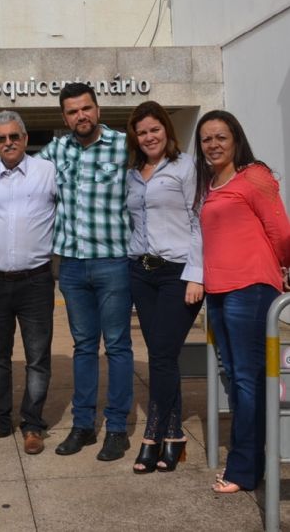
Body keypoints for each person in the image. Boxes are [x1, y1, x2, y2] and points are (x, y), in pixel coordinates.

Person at [193, 110, 290, 493]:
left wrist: (283, 267)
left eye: (221, 137)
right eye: (206, 139)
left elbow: (280, 232)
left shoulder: (254, 176)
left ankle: (243, 469)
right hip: (219, 291)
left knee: (247, 380)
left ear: (235, 139)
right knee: (235, 378)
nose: (213, 144)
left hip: (250, 288)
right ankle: (251, 463)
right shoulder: (211, 184)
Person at [38, 82, 134, 461]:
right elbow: (21, 169)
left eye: (86, 108)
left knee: (118, 345)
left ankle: (117, 428)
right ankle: (83, 426)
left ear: (98, 109)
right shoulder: (56, 150)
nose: (81, 116)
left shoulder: (124, 146)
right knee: (83, 347)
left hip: (114, 263)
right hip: (72, 266)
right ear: (65, 118)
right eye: (73, 111)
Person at [0, 110, 57, 455]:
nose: (8, 143)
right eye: (1, 138)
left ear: (25, 138)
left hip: (36, 281)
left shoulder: (48, 171)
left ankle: (33, 425)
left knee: (37, 358)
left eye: (14, 136)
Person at [125, 101, 204, 474]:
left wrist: (197, 273)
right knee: (162, 355)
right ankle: (175, 436)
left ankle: (152, 434)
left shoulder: (186, 166)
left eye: (154, 129)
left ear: (167, 131)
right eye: (142, 132)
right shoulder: (132, 173)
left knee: (160, 355)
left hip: (177, 273)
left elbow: (199, 220)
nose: (149, 137)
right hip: (141, 272)